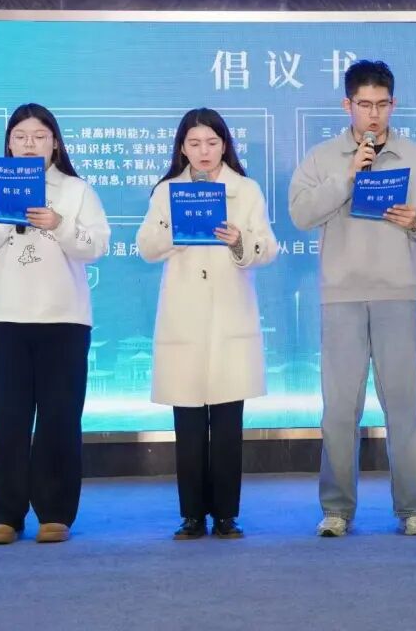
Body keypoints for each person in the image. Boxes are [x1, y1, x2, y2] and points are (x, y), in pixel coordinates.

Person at [289, 60, 416, 537]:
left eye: (382, 104)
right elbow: (300, 214)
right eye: (365, 105)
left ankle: (413, 509)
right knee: (340, 410)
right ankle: (336, 509)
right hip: (341, 295)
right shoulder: (323, 158)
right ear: (348, 105)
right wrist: (346, 177)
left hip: (398, 293)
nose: (374, 114)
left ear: (393, 104)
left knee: (404, 407)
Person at [0, 103, 110, 544]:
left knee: (59, 419)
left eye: (39, 136)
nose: (29, 144)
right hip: (5, 320)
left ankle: (54, 512)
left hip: (64, 320)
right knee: (7, 419)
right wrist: (2, 218)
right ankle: (5, 515)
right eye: (20, 137)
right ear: (8, 144)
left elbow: (96, 246)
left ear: (55, 143)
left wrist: (60, 225)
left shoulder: (77, 191)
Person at [137, 108, 278, 540]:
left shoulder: (245, 190)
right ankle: (192, 515)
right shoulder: (167, 191)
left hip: (230, 319)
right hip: (184, 320)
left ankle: (226, 515)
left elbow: (268, 247)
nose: (204, 151)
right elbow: (146, 246)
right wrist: (177, 232)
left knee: (228, 423)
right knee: (189, 426)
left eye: (212, 143)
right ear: (182, 148)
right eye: (195, 143)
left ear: (225, 145)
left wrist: (240, 241)